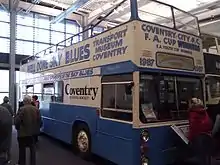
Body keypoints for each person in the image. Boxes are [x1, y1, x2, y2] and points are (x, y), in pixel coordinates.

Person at [14, 96, 40, 165]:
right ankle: (33, 163)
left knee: (22, 150)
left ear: (24, 101)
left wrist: (17, 128)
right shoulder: (36, 109)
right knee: (32, 150)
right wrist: (36, 129)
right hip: (33, 134)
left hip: (23, 134)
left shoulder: (22, 109)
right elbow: (40, 122)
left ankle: (22, 163)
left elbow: (17, 121)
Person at [188, 98, 213, 165]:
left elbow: (193, 127)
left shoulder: (193, 113)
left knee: (199, 157)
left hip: (198, 138)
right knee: (206, 156)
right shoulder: (204, 111)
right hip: (207, 136)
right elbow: (209, 123)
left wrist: (189, 139)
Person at [1, 96, 13, 163]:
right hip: (7, 123)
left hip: (1, 124)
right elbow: (12, 113)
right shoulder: (9, 106)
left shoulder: (1, 105)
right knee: (7, 140)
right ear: (7, 100)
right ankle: (8, 158)